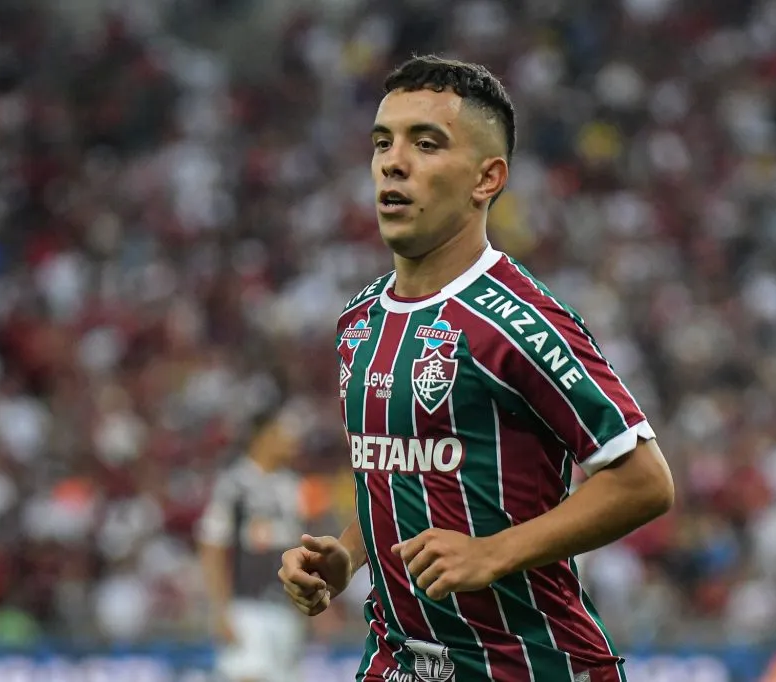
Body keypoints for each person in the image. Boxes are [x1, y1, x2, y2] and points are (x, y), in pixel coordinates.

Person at [278, 55, 675, 682]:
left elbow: (646, 481)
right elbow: (400, 471)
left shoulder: (519, 322)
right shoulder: (357, 322)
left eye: (426, 143)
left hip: (529, 666)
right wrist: (348, 556)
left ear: (486, 179)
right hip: (398, 662)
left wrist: (494, 553)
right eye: (383, 142)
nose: (393, 161)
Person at [198, 407, 308, 682]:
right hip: (247, 608)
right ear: (262, 438)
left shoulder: (291, 486)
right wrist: (221, 611)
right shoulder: (234, 484)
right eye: (283, 434)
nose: (291, 441)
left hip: (285, 608)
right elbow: (212, 549)